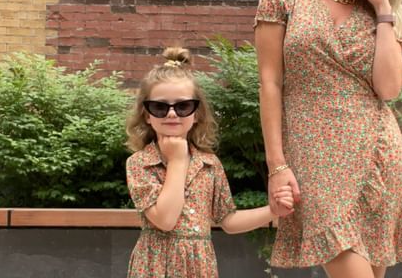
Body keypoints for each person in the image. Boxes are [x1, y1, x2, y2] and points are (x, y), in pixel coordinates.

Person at [254, 0, 402, 278]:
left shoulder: (386, 12)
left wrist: (384, 11)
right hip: (314, 156)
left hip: (378, 156)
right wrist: (276, 165)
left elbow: (388, 89)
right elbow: (270, 83)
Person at [125, 47, 294, 278]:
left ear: (196, 114)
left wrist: (272, 211)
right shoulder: (140, 163)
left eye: (183, 106)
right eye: (160, 107)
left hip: (200, 268)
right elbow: (165, 220)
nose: (172, 114)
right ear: (146, 114)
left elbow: (228, 220)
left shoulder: (209, 164)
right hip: (156, 268)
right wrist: (177, 160)